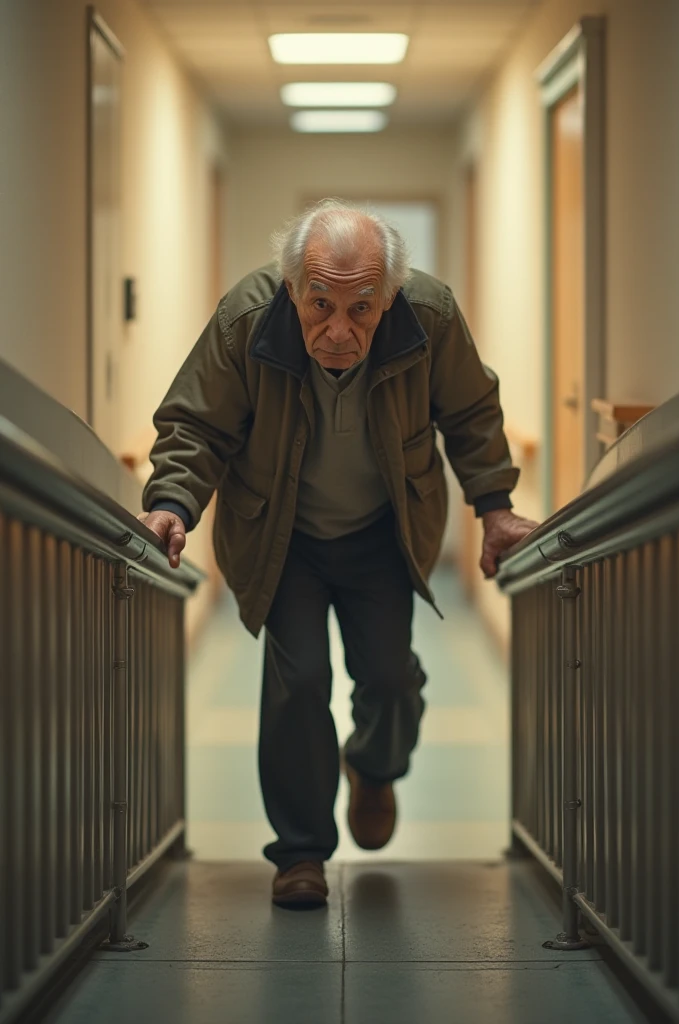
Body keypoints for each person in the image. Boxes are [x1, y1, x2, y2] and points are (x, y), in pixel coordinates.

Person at [139, 199, 537, 908]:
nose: (338, 330)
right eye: (320, 303)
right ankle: (300, 853)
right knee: (299, 683)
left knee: (386, 678)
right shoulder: (246, 318)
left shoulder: (430, 317)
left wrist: (495, 508)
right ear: (291, 287)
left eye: (361, 308)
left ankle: (374, 768)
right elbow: (196, 424)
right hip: (280, 534)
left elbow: (471, 413)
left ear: (388, 296)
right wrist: (173, 503)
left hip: (383, 532)